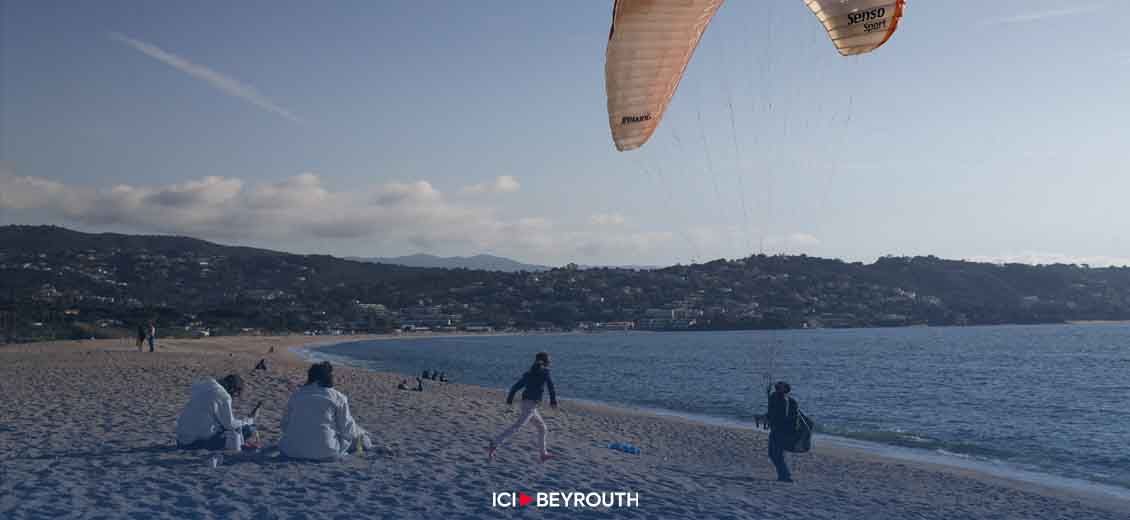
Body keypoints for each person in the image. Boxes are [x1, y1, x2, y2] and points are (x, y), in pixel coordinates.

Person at [279, 362, 372, 460]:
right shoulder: (337, 397)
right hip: (325, 452)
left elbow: (284, 425)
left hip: (291, 451)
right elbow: (347, 428)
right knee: (361, 439)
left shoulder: (297, 395)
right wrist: (361, 432)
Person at [489, 352, 558, 463]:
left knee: (542, 428)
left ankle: (543, 454)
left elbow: (515, 387)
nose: (550, 362)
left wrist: (509, 399)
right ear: (545, 362)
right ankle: (495, 443)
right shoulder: (545, 373)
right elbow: (551, 387)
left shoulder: (529, 373)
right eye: (549, 360)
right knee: (517, 426)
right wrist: (553, 401)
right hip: (530, 405)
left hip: (528, 404)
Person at [175, 374, 256, 450]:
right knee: (248, 430)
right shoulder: (223, 396)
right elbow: (229, 425)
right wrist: (246, 422)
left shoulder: (204, 388)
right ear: (233, 390)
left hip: (181, 441)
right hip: (195, 443)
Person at [767, 381, 798, 483]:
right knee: (773, 454)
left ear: (785, 389)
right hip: (777, 430)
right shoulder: (775, 398)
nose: (778, 385)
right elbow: (772, 413)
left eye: (781, 385)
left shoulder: (785, 400)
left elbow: (781, 416)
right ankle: (784, 475)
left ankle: (785, 476)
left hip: (781, 431)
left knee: (776, 454)